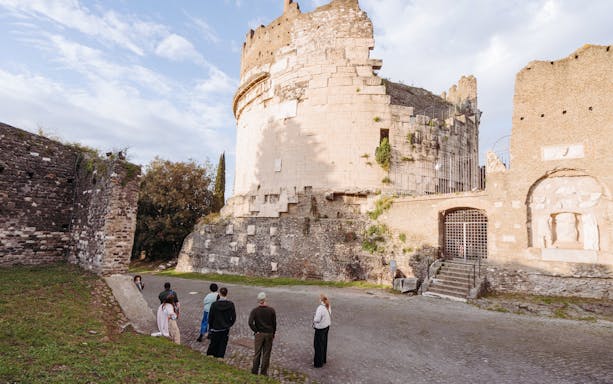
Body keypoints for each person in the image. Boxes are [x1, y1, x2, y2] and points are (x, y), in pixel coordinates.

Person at [248, 292, 276, 375]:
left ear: (258, 300)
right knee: (266, 354)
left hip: (259, 334)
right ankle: (263, 372)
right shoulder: (271, 310)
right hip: (269, 334)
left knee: (257, 353)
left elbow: (250, 322)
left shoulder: (255, 311)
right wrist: (273, 333)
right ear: (265, 299)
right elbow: (274, 323)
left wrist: (256, 330)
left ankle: (254, 371)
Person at [206, 287, 236, 358]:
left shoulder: (214, 304)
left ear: (219, 294)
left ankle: (211, 356)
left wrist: (210, 326)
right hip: (225, 328)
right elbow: (233, 317)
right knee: (223, 344)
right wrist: (229, 324)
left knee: (213, 343)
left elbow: (210, 317)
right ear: (226, 294)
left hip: (215, 327)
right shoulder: (230, 304)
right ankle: (220, 357)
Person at [313, 293, 331, 368]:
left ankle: (318, 363)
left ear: (320, 299)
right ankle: (323, 359)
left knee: (317, 345)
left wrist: (314, 317)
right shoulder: (328, 306)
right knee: (324, 344)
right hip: (327, 326)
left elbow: (316, 320)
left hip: (320, 328)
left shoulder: (320, 308)